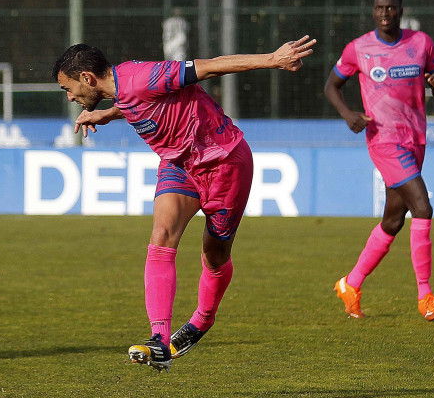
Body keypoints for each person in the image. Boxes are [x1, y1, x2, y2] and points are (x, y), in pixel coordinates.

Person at [53, 36, 316, 372]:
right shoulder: (122, 88)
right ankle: (159, 340)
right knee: (162, 234)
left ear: (87, 78)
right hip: (180, 165)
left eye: (68, 88)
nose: (71, 97)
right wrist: (107, 115)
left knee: (214, 253)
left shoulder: (143, 75)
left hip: (224, 161)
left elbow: (209, 68)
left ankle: (202, 320)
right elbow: (139, 102)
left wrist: (273, 59)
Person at [324, 0, 434, 322]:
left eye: (391, 8)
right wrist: (349, 115)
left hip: (415, 137)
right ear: (373, 11)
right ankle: (426, 296)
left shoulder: (421, 43)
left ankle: (351, 283)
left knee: (393, 219)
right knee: (422, 206)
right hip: (384, 140)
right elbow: (331, 85)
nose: (385, 14)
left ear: (400, 10)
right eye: (379, 8)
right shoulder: (358, 48)